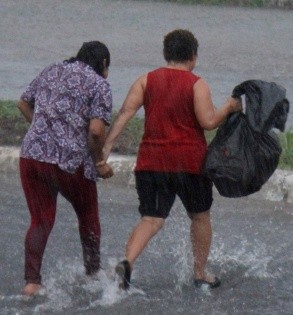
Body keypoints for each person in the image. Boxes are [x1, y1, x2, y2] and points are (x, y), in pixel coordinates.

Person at [101, 29, 242, 290]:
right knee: (200, 216)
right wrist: (229, 108)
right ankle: (200, 273)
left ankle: (128, 262)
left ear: (166, 54)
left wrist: (106, 148)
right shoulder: (197, 84)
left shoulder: (146, 80)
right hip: (190, 164)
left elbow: (125, 113)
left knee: (151, 219)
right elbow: (209, 122)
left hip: (151, 163)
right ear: (192, 57)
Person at [17, 41, 114, 296]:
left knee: (40, 220)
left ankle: (32, 283)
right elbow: (95, 131)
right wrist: (99, 162)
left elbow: (23, 103)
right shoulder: (98, 83)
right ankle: (93, 272)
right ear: (103, 64)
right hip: (70, 163)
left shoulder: (51, 70)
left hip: (32, 156)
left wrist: (44, 130)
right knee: (88, 215)